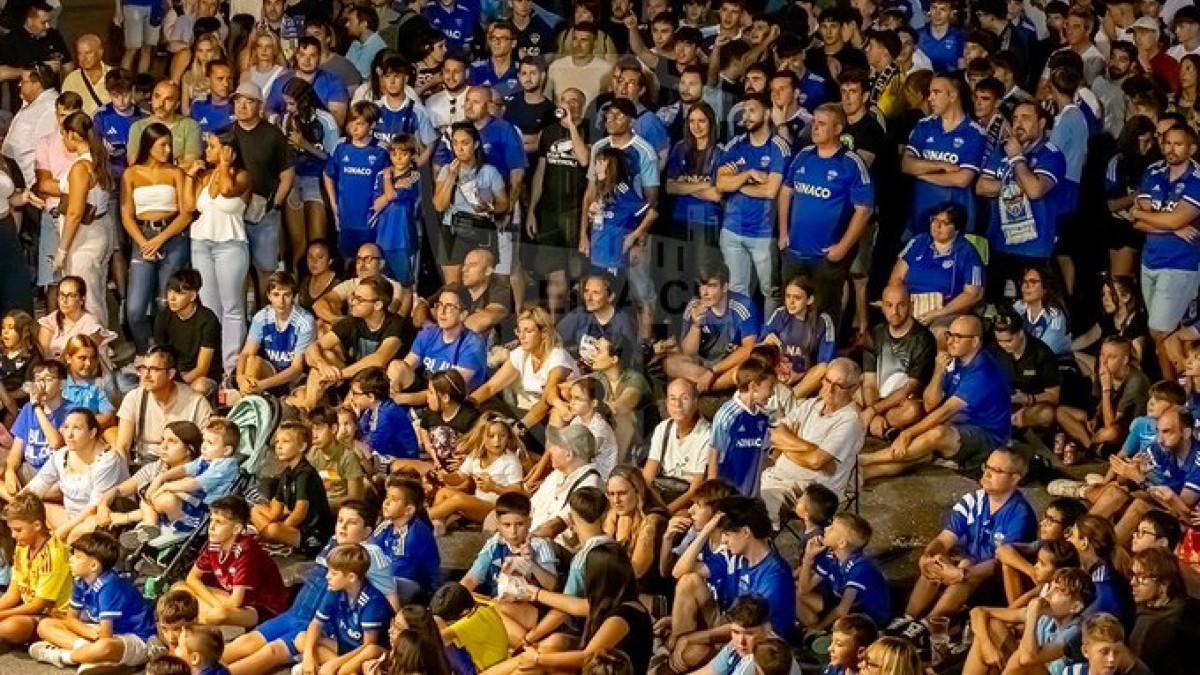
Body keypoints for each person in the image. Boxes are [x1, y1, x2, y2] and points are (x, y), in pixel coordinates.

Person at [889, 449, 1037, 637]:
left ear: (1015, 478)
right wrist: (927, 556)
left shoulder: (1020, 515)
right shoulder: (973, 500)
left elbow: (1002, 563)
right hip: (971, 566)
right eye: (987, 467)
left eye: (997, 470)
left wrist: (963, 573)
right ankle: (908, 618)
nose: (987, 474)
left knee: (966, 578)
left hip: (998, 582)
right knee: (936, 561)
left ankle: (929, 626)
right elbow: (944, 539)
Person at [861, 315, 1013, 480]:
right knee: (921, 450)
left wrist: (908, 434)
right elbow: (930, 405)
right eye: (949, 335)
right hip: (957, 425)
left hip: (989, 437)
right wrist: (939, 371)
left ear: (975, 341)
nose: (950, 341)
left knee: (937, 434)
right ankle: (864, 473)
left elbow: (945, 411)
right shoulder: (958, 360)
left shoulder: (983, 371)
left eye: (958, 337)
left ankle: (865, 460)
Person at [665, 496, 796, 672]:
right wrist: (706, 530)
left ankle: (674, 658)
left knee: (692, 652)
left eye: (727, 534)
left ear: (745, 532)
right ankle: (673, 651)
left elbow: (748, 627)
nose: (724, 540)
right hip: (731, 624)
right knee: (689, 581)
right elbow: (679, 571)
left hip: (755, 642)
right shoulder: (735, 558)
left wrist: (691, 638)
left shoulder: (774, 576)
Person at [777, 103, 874, 323]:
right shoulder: (803, 155)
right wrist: (783, 233)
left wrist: (843, 248)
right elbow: (785, 190)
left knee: (825, 316)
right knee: (790, 312)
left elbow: (864, 210)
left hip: (826, 258)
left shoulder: (851, 163)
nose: (815, 128)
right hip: (794, 253)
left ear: (838, 129)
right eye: (814, 122)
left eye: (822, 124)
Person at [761, 358, 865, 529]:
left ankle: (760, 542)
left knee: (756, 508)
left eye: (839, 386)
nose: (829, 389)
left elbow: (816, 461)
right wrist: (806, 448)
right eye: (827, 381)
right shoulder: (812, 404)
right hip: (776, 476)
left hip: (810, 493)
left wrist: (787, 446)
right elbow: (775, 434)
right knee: (735, 484)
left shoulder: (850, 421)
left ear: (854, 388)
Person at [28, 532, 156, 670]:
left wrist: (91, 636)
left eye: (77, 557)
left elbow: (105, 637)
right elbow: (71, 619)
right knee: (46, 625)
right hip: (100, 633)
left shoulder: (109, 586)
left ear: (93, 565)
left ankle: (63, 656)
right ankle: (89, 655)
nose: (71, 559)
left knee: (104, 647)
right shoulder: (80, 581)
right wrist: (88, 633)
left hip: (135, 638)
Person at [121, 122, 192, 353]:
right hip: (142, 236)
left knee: (166, 302)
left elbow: (186, 213)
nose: (167, 150)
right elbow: (126, 215)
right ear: (149, 145)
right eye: (162, 145)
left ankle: (166, 351)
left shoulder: (175, 173)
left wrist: (159, 240)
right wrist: (144, 243)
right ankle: (146, 351)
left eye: (169, 145)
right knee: (135, 308)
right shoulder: (131, 174)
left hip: (172, 236)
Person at [1129, 124, 1200, 357]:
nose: (1171, 149)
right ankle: (1180, 377)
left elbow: (1169, 218)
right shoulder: (1153, 172)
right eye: (1167, 143)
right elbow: (1138, 222)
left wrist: (1145, 215)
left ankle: (1177, 379)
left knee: (1160, 331)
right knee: (1163, 332)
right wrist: (1173, 227)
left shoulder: (1197, 179)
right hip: (1149, 261)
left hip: (1181, 263)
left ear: (1192, 149)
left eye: (1178, 144)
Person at [717, 93, 790, 314]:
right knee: (737, 290)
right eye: (744, 111)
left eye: (752, 111)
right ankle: (742, 333)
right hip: (732, 230)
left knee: (771, 291)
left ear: (767, 114)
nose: (746, 116)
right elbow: (720, 184)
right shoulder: (735, 144)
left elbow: (770, 191)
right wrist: (748, 174)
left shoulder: (778, 147)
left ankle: (769, 333)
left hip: (764, 233)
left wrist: (737, 184)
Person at [187, 131, 252, 375]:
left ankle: (231, 367)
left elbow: (226, 190)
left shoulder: (242, 176)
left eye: (212, 146)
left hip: (230, 244)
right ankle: (211, 364)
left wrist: (224, 165)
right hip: (201, 243)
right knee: (209, 306)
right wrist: (190, 177)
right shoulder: (206, 176)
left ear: (228, 151)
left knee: (232, 307)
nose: (207, 151)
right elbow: (190, 206)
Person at [178, 496, 287, 629]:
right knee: (179, 588)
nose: (211, 527)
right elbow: (192, 578)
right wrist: (214, 603)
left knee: (217, 615)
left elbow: (236, 602)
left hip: (262, 608)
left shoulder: (245, 550)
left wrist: (213, 607)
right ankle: (201, 620)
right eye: (211, 520)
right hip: (229, 599)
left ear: (236, 529)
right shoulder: (215, 544)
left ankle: (199, 624)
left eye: (219, 522)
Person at [296, 276, 404, 410]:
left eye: (359, 299)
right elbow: (313, 348)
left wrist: (339, 374)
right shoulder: (353, 321)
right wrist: (322, 365)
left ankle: (339, 411)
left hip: (377, 385)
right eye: (353, 296)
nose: (352, 302)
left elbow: (379, 360)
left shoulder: (395, 324)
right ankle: (309, 408)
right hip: (351, 377)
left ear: (378, 305)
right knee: (326, 356)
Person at [21, 408, 127, 544]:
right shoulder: (61, 455)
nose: (69, 434)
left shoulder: (108, 459)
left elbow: (94, 507)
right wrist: (15, 508)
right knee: (29, 513)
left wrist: (61, 532)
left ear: (92, 433)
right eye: (66, 427)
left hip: (101, 522)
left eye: (77, 428)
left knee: (78, 531)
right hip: (70, 518)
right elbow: (36, 487)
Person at [901, 74, 987, 240]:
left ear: (953, 96)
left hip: (954, 223)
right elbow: (906, 164)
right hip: (919, 217)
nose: (930, 98)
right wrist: (940, 165)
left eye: (936, 92)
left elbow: (962, 179)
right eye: (930, 92)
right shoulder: (924, 125)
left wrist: (922, 174)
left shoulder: (974, 133)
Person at [229, 81, 294, 295]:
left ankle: (266, 309)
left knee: (266, 268)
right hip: (233, 212)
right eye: (238, 101)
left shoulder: (274, 136)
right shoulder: (227, 134)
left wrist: (275, 206)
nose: (242, 106)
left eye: (249, 101)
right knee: (238, 269)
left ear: (260, 106)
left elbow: (287, 175)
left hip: (265, 211)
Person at [470, 306, 575, 433]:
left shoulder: (558, 357)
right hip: (529, 415)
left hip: (554, 417)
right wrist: (463, 405)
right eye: (519, 331)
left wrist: (519, 428)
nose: (522, 336)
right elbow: (490, 387)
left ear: (544, 333)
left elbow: (546, 401)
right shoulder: (521, 353)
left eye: (528, 331)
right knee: (484, 407)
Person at [662, 260, 761, 393]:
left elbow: (749, 349)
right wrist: (696, 325)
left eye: (711, 286)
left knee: (747, 367)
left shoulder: (743, 306)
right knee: (670, 363)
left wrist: (713, 371)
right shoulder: (694, 306)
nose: (704, 292)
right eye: (701, 286)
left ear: (725, 287)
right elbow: (688, 353)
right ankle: (713, 386)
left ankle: (706, 386)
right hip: (703, 365)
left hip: (729, 366)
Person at [53, 112, 114, 324]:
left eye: (63, 135)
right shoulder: (99, 159)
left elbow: (75, 212)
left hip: (84, 236)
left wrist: (62, 249)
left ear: (72, 135)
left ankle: (94, 343)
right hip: (100, 229)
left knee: (86, 298)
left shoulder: (81, 167)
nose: (63, 140)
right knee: (95, 293)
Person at [295, 544, 393, 675]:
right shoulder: (335, 590)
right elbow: (316, 624)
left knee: (327, 669)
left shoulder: (372, 602)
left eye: (334, 573)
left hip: (364, 655)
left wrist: (335, 664)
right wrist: (308, 657)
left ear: (351, 577)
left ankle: (335, 670)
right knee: (301, 639)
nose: (327, 576)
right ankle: (336, 670)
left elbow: (368, 647)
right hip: (345, 646)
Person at [111, 347, 213, 466]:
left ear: (170, 374)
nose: (146, 375)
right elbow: (123, 446)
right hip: (145, 464)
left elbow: (210, 444)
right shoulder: (134, 398)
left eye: (154, 369)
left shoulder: (196, 402)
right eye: (143, 368)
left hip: (182, 466)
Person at [1055, 336, 1150, 464]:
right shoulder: (1102, 367)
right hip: (1105, 420)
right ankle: (1092, 448)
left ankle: (1090, 448)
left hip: (1126, 431)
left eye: (1112, 357)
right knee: (1061, 412)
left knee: (1110, 432)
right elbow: (1095, 400)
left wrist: (1106, 389)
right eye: (1102, 355)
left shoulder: (1136, 381)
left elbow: (1111, 424)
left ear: (1125, 360)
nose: (1104, 362)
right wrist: (1093, 417)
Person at [890, 204, 985, 327]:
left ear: (957, 229)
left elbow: (974, 294)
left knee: (938, 332)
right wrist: (902, 305)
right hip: (909, 306)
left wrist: (939, 313)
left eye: (945, 223)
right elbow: (896, 279)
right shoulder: (918, 242)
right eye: (934, 220)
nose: (937, 226)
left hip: (946, 312)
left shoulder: (968, 252)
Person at [862, 285, 936, 441]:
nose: (894, 311)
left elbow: (910, 387)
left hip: (901, 402)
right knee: (844, 386)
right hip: (875, 400)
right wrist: (873, 411)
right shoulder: (874, 334)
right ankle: (882, 427)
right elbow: (869, 383)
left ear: (911, 305)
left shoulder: (924, 339)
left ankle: (872, 425)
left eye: (901, 305)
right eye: (889, 305)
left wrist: (872, 411)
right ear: (882, 307)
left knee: (913, 410)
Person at [390, 285, 488, 400]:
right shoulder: (428, 333)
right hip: (426, 391)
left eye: (449, 306)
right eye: (440, 305)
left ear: (463, 315)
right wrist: (394, 386)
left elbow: (449, 389)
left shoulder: (473, 344)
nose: (442, 311)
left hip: (452, 399)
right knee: (396, 367)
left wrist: (407, 399)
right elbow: (406, 366)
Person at [251, 421, 333, 557]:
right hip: (293, 527)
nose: (279, 446)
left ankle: (273, 538)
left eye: (286, 441)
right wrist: (270, 520)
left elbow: (300, 513)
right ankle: (272, 537)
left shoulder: (305, 473)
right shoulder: (286, 473)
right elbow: (275, 511)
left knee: (273, 529)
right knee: (255, 510)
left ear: (302, 446)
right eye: (277, 442)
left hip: (312, 533)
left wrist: (280, 528)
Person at [797, 513, 892, 630]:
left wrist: (819, 628)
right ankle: (816, 629)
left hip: (868, 619)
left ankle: (819, 630)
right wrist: (808, 557)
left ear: (842, 543)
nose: (826, 528)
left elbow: (842, 609)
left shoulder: (860, 569)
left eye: (832, 528)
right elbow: (804, 589)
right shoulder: (831, 556)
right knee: (795, 591)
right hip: (846, 606)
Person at [0, 493, 71, 647]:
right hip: (31, 612)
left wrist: (2, 614)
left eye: (18, 530)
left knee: (9, 627)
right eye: (11, 530)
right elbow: (12, 594)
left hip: (53, 617)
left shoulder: (54, 554)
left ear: (37, 526)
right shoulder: (22, 547)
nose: (13, 535)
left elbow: (39, 605)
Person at [235, 271, 315, 396]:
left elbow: (297, 368)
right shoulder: (262, 317)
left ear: (293, 296)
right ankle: (250, 401)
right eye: (276, 295)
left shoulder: (305, 321)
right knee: (252, 361)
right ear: (269, 296)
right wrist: (240, 378)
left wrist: (262, 385)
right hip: (271, 370)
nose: (281, 301)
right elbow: (246, 353)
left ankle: (252, 398)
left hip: (294, 378)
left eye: (286, 295)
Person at [643, 379, 713, 511]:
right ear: (667, 403)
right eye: (673, 399)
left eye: (684, 398)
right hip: (661, 493)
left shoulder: (708, 435)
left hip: (689, 501)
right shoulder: (663, 428)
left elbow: (695, 490)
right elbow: (648, 476)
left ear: (696, 402)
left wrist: (665, 512)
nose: (678, 405)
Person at [761, 275, 838, 395]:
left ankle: (790, 398)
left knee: (824, 369)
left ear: (809, 300)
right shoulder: (780, 314)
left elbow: (825, 363)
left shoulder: (823, 321)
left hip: (806, 377)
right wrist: (768, 344)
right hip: (780, 370)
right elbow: (758, 348)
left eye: (797, 298)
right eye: (788, 296)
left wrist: (800, 374)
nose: (791, 302)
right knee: (762, 352)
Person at [3, 360, 68, 497]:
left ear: (62, 384)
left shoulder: (71, 411)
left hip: (54, 475)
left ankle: (23, 499)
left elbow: (56, 443)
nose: (41, 384)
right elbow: (16, 452)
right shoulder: (28, 409)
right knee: (6, 472)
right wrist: (10, 470)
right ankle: (22, 500)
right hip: (30, 470)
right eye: (38, 379)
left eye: (48, 379)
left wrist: (37, 406)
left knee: (63, 489)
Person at [152, 269, 222, 397]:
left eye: (179, 293)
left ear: (193, 296)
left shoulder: (208, 320)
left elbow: (202, 369)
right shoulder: (163, 316)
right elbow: (160, 354)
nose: (172, 298)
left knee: (199, 387)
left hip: (202, 376)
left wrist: (178, 385)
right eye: (170, 291)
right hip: (174, 373)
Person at [373, 477, 442, 602]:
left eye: (394, 499)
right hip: (391, 578)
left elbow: (395, 574)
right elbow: (371, 552)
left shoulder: (413, 535)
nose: (386, 503)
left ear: (409, 510)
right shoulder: (386, 525)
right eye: (387, 497)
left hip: (418, 590)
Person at [994, 310, 1063, 433]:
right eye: (1000, 341)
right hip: (998, 403)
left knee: (1046, 414)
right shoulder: (994, 349)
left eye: (1009, 341)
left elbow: (1054, 396)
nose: (1004, 345)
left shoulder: (1041, 354)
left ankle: (1009, 422)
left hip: (1028, 407)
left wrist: (1027, 398)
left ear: (1021, 332)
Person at [127, 80, 203, 168]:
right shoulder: (138, 127)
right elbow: (133, 163)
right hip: (146, 176)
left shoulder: (190, 126)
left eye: (168, 99)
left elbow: (190, 162)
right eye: (157, 96)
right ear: (151, 98)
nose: (160, 104)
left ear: (177, 104)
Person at [61, 34, 109, 116]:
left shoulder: (114, 76)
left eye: (88, 53)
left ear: (100, 53)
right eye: (80, 54)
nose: (83, 58)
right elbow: (65, 111)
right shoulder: (71, 80)